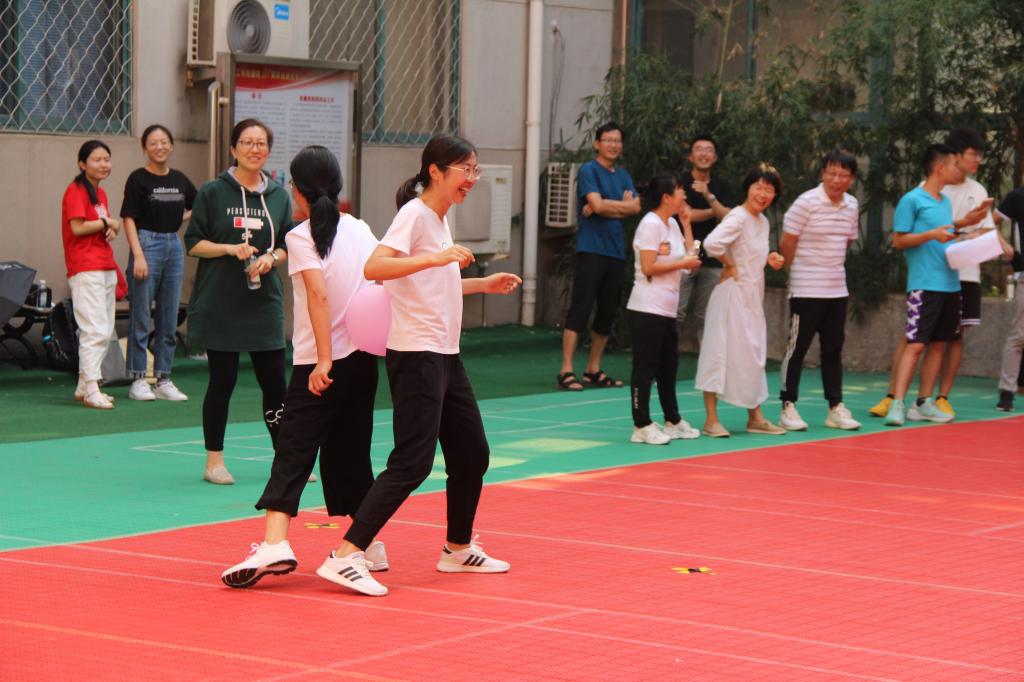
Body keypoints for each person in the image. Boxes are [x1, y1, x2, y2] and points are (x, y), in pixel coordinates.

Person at [318, 134, 522, 597]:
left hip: (445, 355)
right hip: (416, 355)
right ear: (435, 171)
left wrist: (482, 284)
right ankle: (346, 554)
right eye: (465, 169)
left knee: (472, 453)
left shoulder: (438, 219)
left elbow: (428, 284)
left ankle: (457, 548)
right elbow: (376, 268)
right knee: (411, 462)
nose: (472, 178)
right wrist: (436, 257)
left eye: (475, 170)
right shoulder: (414, 214)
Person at [221, 145, 385, 588]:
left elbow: (318, 294)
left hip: (319, 363)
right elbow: (382, 277)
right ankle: (368, 545)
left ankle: (275, 543)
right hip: (363, 361)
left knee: (293, 449)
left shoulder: (300, 235)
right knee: (352, 454)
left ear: (297, 189)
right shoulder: (359, 228)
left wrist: (324, 359)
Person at [184, 119, 293, 485]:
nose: (254, 149)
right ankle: (213, 462)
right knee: (223, 382)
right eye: (247, 142)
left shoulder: (278, 196)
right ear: (233, 149)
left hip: (264, 303)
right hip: (221, 302)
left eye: (261, 143)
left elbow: (287, 244)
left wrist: (271, 259)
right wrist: (229, 249)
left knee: (275, 383)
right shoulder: (213, 192)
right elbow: (193, 243)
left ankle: (286, 459)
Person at [695, 163, 787, 438]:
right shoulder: (738, 216)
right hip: (731, 294)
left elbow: (750, 252)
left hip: (752, 297)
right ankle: (711, 420)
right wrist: (730, 264)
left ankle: (755, 417)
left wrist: (770, 258)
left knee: (753, 355)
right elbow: (711, 244)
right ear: (748, 188)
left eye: (769, 190)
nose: (762, 194)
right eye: (758, 187)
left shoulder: (762, 221)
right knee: (717, 352)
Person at [776, 150, 862, 432]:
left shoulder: (852, 205)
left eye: (843, 175)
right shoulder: (806, 202)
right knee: (797, 348)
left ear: (851, 179)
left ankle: (835, 407)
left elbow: (847, 241)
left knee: (833, 350)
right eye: (831, 173)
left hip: (836, 289)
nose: (836, 180)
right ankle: (788, 405)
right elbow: (787, 243)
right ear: (822, 173)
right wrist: (796, 273)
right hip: (806, 288)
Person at [883, 144, 962, 427]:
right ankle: (897, 403)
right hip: (924, 285)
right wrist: (931, 235)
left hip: (950, 284)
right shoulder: (912, 200)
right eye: (954, 164)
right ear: (940, 168)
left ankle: (923, 403)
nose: (958, 170)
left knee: (938, 345)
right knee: (916, 345)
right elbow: (898, 240)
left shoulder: (945, 202)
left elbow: (944, 238)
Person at [557, 122, 640, 391]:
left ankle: (593, 369)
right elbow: (597, 205)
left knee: (607, 310)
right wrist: (616, 205)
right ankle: (566, 370)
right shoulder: (589, 170)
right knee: (581, 308)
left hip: (615, 251)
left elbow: (635, 207)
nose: (613, 145)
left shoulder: (624, 175)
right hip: (591, 249)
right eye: (608, 140)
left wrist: (606, 205)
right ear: (597, 143)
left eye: (617, 140)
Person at [626, 172, 703, 445]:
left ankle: (673, 420)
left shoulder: (672, 223)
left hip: (667, 309)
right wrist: (683, 263)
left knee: (668, 367)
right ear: (667, 197)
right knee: (645, 367)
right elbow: (649, 267)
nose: (685, 195)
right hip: (647, 307)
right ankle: (641, 424)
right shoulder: (650, 224)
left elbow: (690, 261)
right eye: (680, 190)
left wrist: (687, 225)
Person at [122, 124, 197, 402]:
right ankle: (138, 379)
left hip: (173, 245)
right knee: (141, 316)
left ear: (172, 146)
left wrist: (179, 219)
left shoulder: (179, 179)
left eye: (164, 142)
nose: (159, 147)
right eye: (153, 143)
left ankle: (164, 379)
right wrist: (138, 254)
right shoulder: (138, 178)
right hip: (146, 243)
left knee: (168, 316)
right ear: (145, 148)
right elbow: (128, 218)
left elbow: (197, 203)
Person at [61, 140, 120, 410]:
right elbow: (77, 228)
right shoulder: (75, 190)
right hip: (85, 267)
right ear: (82, 164)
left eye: (106, 159)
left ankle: (84, 385)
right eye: (97, 159)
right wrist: (108, 222)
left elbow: (96, 226)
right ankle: (92, 388)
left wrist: (109, 228)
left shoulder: (101, 193)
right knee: (93, 329)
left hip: (104, 265)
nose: (103, 164)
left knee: (104, 330)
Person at [675, 135, 733, 342]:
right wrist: (715, 210)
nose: (704, 153)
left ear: (715, 157)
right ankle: (665, 357)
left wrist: (708, 195)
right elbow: (687, 215)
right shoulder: (679, 183)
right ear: (691, 156)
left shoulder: (722, 186)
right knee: (676, 313)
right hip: (682, 256)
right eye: (699, 149)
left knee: (708, 316)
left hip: (713, 259)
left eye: (709, 150)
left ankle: (708, 360)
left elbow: (730, 217)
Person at [994, 187, 1024, 411]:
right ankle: (1007, 392)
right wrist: (1004, 245)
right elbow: (989, 222)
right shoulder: (1018, 197)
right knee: (1019, 335)